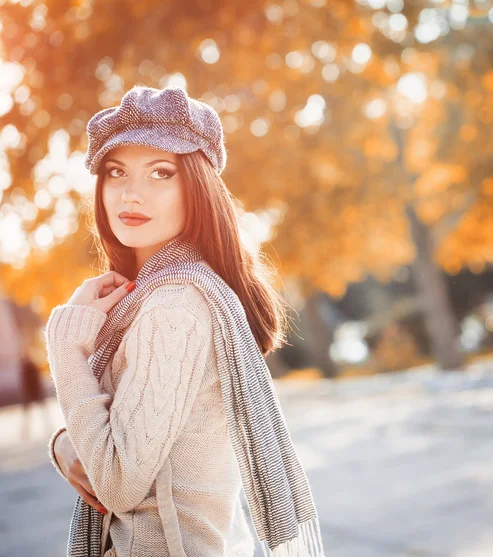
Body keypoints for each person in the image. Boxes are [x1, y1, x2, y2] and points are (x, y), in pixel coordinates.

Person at [44, 86, 325, 557]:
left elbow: (116, 484)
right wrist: (63, 445)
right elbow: (122, 438)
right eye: (116, 172)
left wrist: (65, 345)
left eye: (161, 172)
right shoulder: (166, 295)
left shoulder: (172, 308)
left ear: (195, 185)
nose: (132, 194)